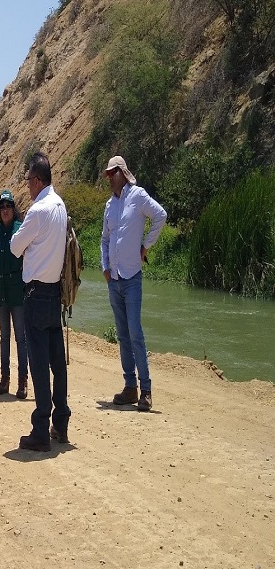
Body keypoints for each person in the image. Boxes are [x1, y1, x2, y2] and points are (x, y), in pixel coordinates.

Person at [10, 152, 70, 451]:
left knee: (39, 364)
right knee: (57, 363)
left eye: (28, 181)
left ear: (36, 179)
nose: (27, 186)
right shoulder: (60, 206)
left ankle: (40, 430)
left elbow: (14, 246)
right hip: (55, 292)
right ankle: (61, 423)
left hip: (35, 294)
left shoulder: (38, 210)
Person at [101, 156, 167, 412]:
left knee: (135, 333)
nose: (108, 178)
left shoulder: (138, 196)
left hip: (131, 278)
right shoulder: (109, 205)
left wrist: (146, 246)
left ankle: (146, 390)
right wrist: (105, 267)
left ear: (122, 173)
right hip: (114, 279)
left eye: (111, 173)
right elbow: (105, 239)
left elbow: (160, 215)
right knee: (122, 335)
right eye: (107, 174)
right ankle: (130, 388)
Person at [0, 190, 29, 398]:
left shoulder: (21, 230)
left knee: (21, 337)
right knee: (4, 337)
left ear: (14, 208)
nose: (5, 210)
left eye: (8, 206)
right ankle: (5, 379)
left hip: (17, 290)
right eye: (1, 207)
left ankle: (22, 381)